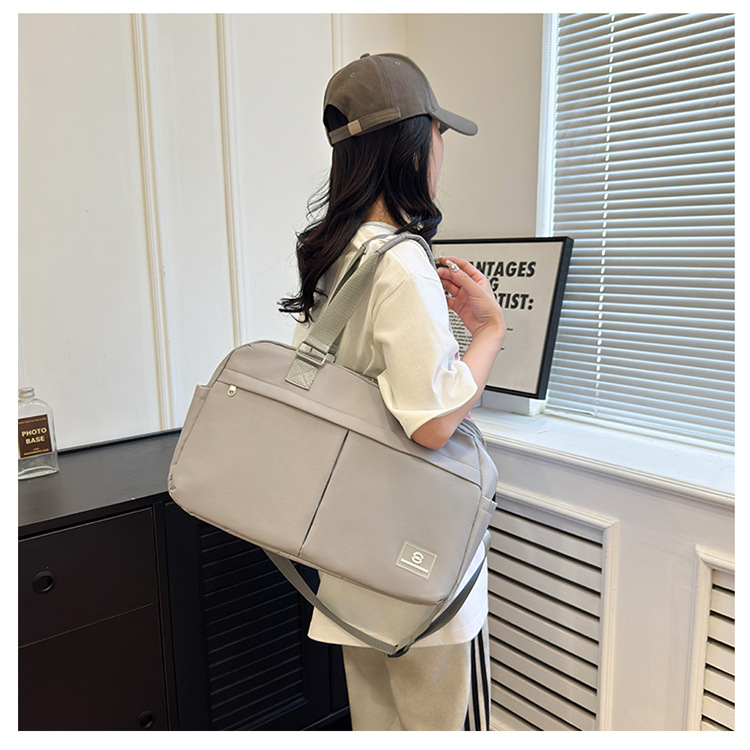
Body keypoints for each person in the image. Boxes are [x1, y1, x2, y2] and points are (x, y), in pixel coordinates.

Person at [279, 53, 506, 732]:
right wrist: (489, 331)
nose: (442, 152)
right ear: (413, 147)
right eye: (438, 135)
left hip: (353, 542)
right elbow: (432, 424)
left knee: (376, 724)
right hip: (416, 554)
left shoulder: (334, 251)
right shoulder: (402, 261)